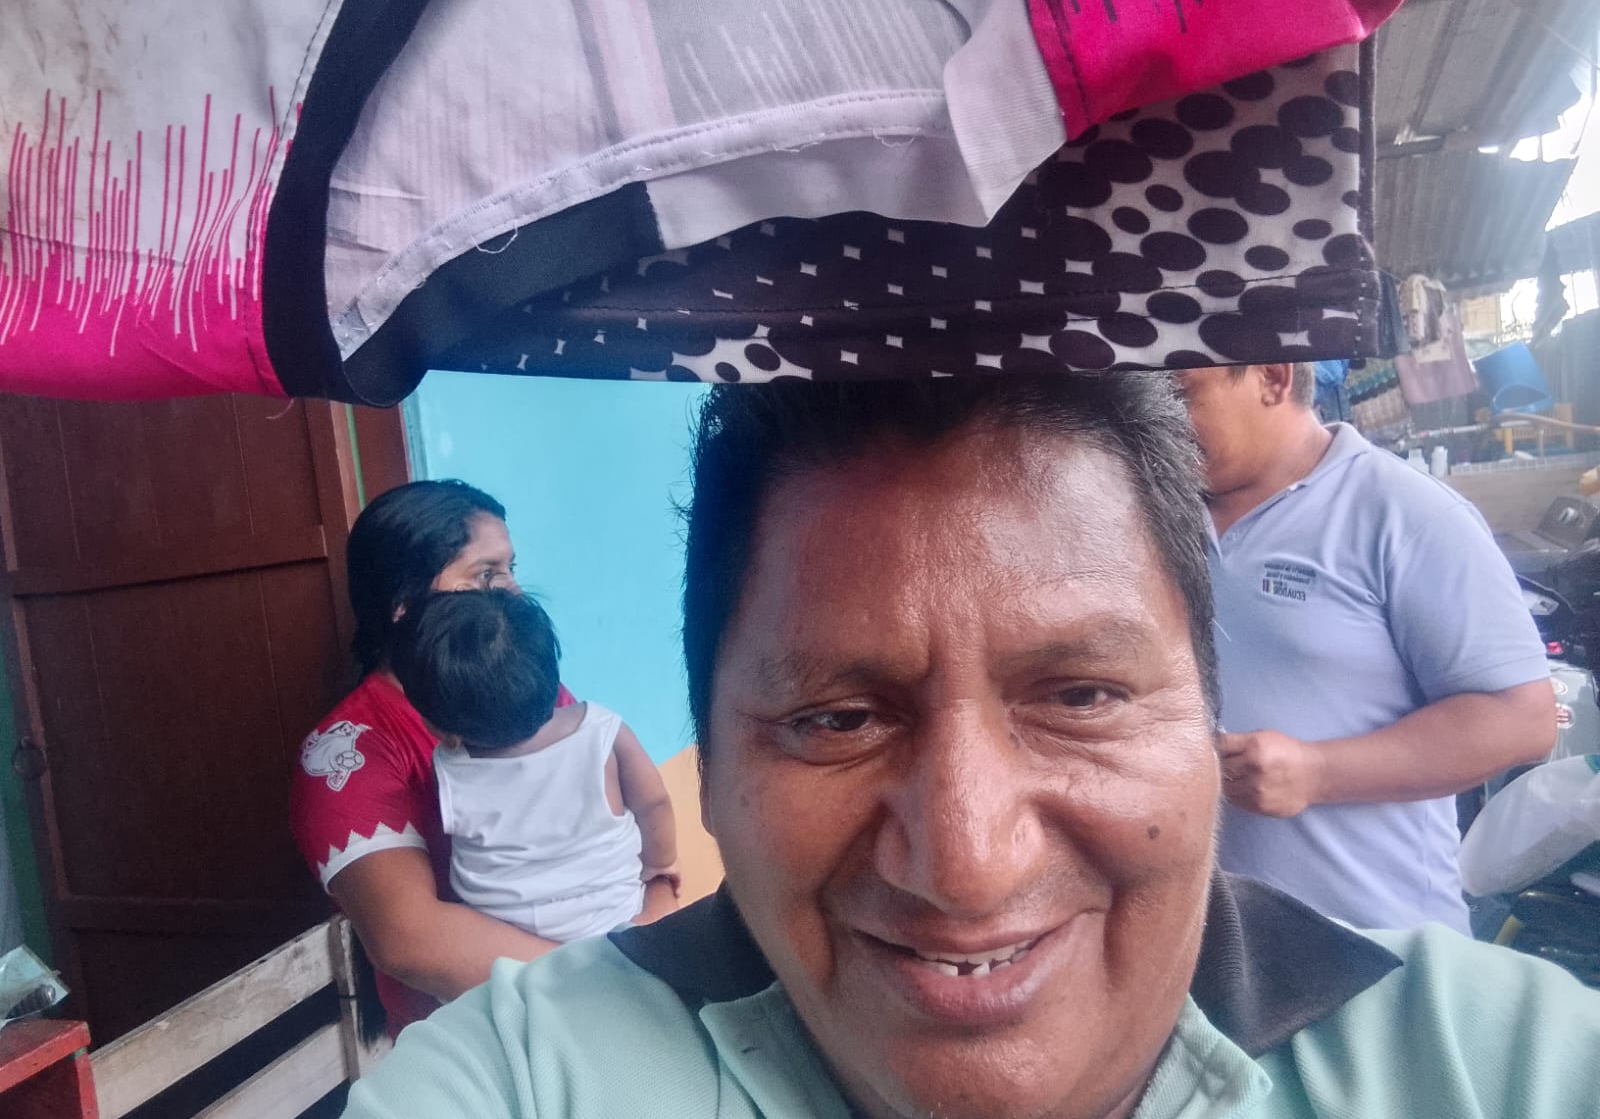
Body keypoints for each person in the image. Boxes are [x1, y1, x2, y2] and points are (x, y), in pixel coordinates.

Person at [344, 377, 1599, 1119]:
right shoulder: (528, 1081)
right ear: (712, 769)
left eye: (1081, 697)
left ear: (1202, 722)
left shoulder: (1487, 1067)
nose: (967, 862)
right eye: (837, 720)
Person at [1177, 363, 1556, 932]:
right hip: (1207, 944)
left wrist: (1316, 772)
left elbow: (1523, 719)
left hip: (1377, 944)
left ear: (1273, 378)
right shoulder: (1159, 517)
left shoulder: (1405, 513)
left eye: (1180, 395)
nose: (1156, 420)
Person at [290, 480, 578, 1036]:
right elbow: (411, 939)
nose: (513, 593)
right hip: (474, 1048)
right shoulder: (348, 753)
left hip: (591, 1007)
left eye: (511, 569)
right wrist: (613, 980)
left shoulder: (522, 691)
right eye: (486, 575)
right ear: (404, 605)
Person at [389, 589, 679, 941]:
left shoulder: (448, 767)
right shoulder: (602, 731)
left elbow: (455, 853)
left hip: (510, 946)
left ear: (443, 731)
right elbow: (654, 803)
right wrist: (659, 865)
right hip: (617, 923)